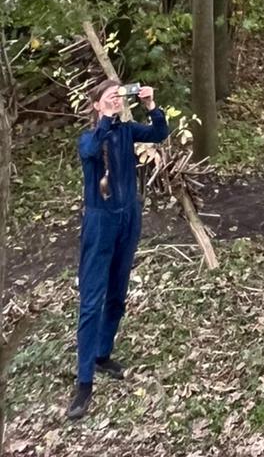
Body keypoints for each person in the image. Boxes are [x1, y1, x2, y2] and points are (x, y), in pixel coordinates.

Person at [68, 78, 170, 422]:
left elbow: (159, 134)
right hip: (100, 223)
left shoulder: (126, 131)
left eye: (118, 96)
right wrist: (108, 118)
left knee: (117, 295)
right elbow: (92, 151)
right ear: (97, 105)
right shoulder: (90, 136)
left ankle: (102, 354)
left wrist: (151, 106)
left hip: (128, 218)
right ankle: (83, 383)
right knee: (91, 300)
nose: (115, 101)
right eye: (108, 98)